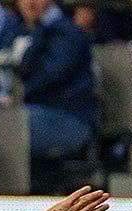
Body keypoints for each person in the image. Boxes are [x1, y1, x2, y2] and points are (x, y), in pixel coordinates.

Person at [14, 0, 97, 162]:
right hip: (36, 110)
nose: (31, 2)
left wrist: (16, 94)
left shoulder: (65, 31)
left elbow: (49, 76)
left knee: (7, 125)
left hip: (69, 118)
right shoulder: (14, 29)